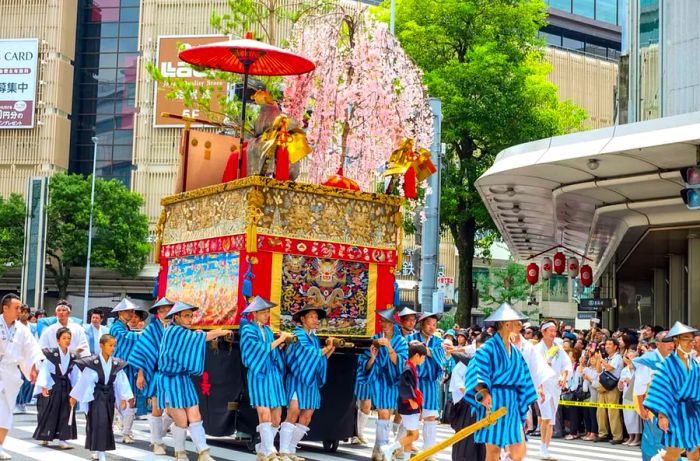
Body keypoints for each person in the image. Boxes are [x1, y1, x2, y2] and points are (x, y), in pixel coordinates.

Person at [157, 301, 231, 461]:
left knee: (195, 415)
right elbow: (200, 337)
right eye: (186, 316)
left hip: (183, 378)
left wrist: (199, 334)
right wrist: (221, 331)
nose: (190, 319)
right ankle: (179, 451)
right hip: (170, 380)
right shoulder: (174, 331)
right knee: (182, 421)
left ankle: (203, 452)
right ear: (176, 317)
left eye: (191, 315)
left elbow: (194, 338)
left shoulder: (182, 331)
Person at [464, 302, 537, 461]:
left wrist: (526, 404)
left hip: (512, 403)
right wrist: (483, 393)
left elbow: (523, 378)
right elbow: (476, 370)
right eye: (517, 321)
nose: (520, 324)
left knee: (519, 451)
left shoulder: (516, 352)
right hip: (493, 400)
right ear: (506, 323)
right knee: (493, 451)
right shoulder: (487, 348)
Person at [280, 305, 337, 461]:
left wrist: (330, 348)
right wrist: (327, 348)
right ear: (303, 319)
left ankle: (291, 449)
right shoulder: (298, 335)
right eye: (311, 316)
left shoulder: (314, 337)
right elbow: (308, 354)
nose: (315, 319)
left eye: (316, 317)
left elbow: (319, 359)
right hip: (297, 379)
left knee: (306, 417)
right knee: (293, 413)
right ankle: (283, 450)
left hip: (310, 380)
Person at [239, 296, 289, 461]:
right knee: (264, 413)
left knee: (277, 416)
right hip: (259, 373)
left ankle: (263, 448)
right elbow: (255, 350)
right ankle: (270, 450)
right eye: (263, 312)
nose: (267, 314)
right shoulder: (247, 329)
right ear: (254, 313)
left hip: (273, 375)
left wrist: (279, 345)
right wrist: (279, 340)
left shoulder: (268, 330)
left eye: (268, 311)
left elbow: (271, 351)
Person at [70, 334, 132, 461]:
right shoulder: (93, 363)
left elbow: (121, 382)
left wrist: (124, 398)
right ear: (101, 345)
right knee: (99, 423)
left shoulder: (116, 363)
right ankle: (100, 451)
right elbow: (85, 381)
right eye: (110, 345)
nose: (113, 348)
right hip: (96, 396)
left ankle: (98, 449)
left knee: (107, 423)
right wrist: (75, 396)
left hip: (109, 396)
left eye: (114, 345)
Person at [644, 322, 700, 461]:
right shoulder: (666, 365)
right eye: (686, 338)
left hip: (693, 412)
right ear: (676, 340)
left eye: (692, 339)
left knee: (695, 449)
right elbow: (661, 390)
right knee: (674, 451)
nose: (691, 342)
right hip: (674, 412)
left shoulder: (694, 364)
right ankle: (660, 459)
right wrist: (663, 416)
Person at [357, 308, 407, 461]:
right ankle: (383, 449)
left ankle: (379, 448)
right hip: (378, 378)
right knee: (383, 412)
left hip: (394, 381)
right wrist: (372, 357)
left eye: (386, 321)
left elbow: (402, 363)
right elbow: (364, 363)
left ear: (393, 323)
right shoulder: (375, 338)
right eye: (382, 321)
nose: (383, 324)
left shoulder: (401, 341)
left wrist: (389, 347)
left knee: (389, 413)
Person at [128, 297, 174, 455]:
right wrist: (140, 374)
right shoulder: (151, 330)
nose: (165, 313)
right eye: (162, 310)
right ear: (157, 313)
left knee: (174, 409)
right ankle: (156, 442)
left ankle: (158, 433)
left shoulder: (177, 328)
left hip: (174, 374)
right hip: (155, 373)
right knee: (157, 407)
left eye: (168, 310)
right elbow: (141, 352)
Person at [0, 294, 44, 460]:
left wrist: (33, 367)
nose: (20, 311)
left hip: (11, 372)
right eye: (16, 308)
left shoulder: (22, 329)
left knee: (6, 411)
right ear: (5, 308)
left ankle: (0, 445)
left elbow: (31, 350)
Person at [32, 327, 79, 448]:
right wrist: (43, 386)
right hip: (52, 385)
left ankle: (63, 439)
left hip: (66, 386)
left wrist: (76, 390)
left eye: (69, 338)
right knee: (48, 411)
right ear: (58, 340)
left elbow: (74, 374)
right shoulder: (52, 354)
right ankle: (45, 435)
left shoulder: (73, 355)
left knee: (66, 411)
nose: (67, 340)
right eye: (64, 338)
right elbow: (45, 370)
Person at [380, 341, 427, 461]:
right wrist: (412, 400)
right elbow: (404, 386)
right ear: (417, 355)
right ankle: (390, 448)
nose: (423, 360)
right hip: (409, 406)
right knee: (414, 435)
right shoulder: (408, 369)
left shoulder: (411, 367)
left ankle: (406, 458)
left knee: (410, 435)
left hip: (409, 406)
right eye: (423, 357)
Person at [448, 333, 490, 461]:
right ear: (477, 347)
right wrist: (477, 395)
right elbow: (459, 385)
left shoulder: (492, 364)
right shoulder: (465, 362)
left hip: (486, 408)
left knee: (485, 444)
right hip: (468, 406)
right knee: (465, 443)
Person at [406, 312, 445, 453]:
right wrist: (428, 351)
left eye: (434, 325)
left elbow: (442, 358)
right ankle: (402, 448)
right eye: (429, 323)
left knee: (430, 417)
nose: (432, 327)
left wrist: (424, 350)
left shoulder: (438, 341)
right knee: (411, 417)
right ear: (421, 323)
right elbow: (406, 357)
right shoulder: (410, 338)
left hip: (430, 383)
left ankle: (428, 451)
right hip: (413, 381)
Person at [109, 298, 145, 444]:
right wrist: (145, 333)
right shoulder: (116, 328)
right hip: (118, 368)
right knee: (116, 400)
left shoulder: (125, 327)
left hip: (127, 368)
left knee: (130, 399)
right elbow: (126, 339)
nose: (132, 313)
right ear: (120, 313)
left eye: (132, 310)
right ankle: (113, 429)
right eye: (129, 311)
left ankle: (126, 431)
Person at [535, 319, 572, 459]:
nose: (553, 333)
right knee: (546, 417)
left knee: (551, 420)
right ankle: (542, 448)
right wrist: (539, 387)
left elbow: (566, 364)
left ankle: (545, 448)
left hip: (555, 386)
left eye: (554, 331)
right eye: (550, 331)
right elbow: (535, 370)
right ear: (543, 332)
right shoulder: (537, 349)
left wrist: (563, 376)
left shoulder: (558, 348)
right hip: (543, 386)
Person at [595, 337, 624, 444]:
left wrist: (602, 360)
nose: (606, 346)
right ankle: (602, 434)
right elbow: (599, 370)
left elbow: (609, 368)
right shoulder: (606, 358)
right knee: (600, 411)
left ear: (615, 347)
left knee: (613, 412)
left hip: (613, 386)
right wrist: (599, 359)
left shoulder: (617, 358)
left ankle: (617, 436)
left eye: (609, 344)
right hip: (603, 385)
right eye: (606, 344)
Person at [14, 304, 35, 414]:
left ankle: (24, 402)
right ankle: (18, 403)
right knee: (19, 380)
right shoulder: (15, 325)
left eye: (26, 312)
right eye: (22, 312)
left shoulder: (33, 327)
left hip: (30, 356)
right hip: (18, 356)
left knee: (29, 382)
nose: (24, 314)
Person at [620, 349, 641, 446]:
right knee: (627, 417)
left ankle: (637, 438)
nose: (631, 357)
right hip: (625, 395)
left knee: (635, 417)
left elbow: (641, 382)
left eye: (633, 355)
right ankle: (630, 436)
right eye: (629, 355)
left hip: (635, 395)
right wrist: (620, 384)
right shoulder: (624, 370)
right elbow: (620, 384)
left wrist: (631, 381)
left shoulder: (638, 369)